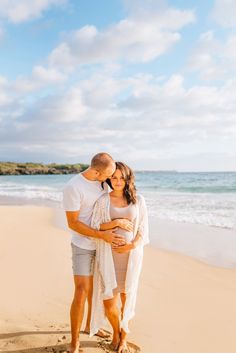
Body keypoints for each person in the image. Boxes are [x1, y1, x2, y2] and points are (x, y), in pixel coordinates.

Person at [63, 153, 126, 353]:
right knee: (81, 291)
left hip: (103, 247)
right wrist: (101, 234)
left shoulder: (102, 182)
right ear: (96, 171)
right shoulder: (73, 187)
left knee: (98, 290)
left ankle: (91, 326)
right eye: (108, 175)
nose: (110, 179)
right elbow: (73, 223)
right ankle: (74, 343)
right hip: (82, 245)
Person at [90, 162, 149, 353]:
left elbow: (143, 230)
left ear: (127, 178)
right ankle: (115, 330)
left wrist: (131, 246)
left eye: (121, 177)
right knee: (109, 301)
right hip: (108, 257)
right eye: (114, 177)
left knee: (127, 298)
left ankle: (123, 337)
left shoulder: (138, 200)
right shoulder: (103, 200)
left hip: (131, 258)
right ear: (109, 179)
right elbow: (96, 225)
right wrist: (116, 222)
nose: (117, 181)